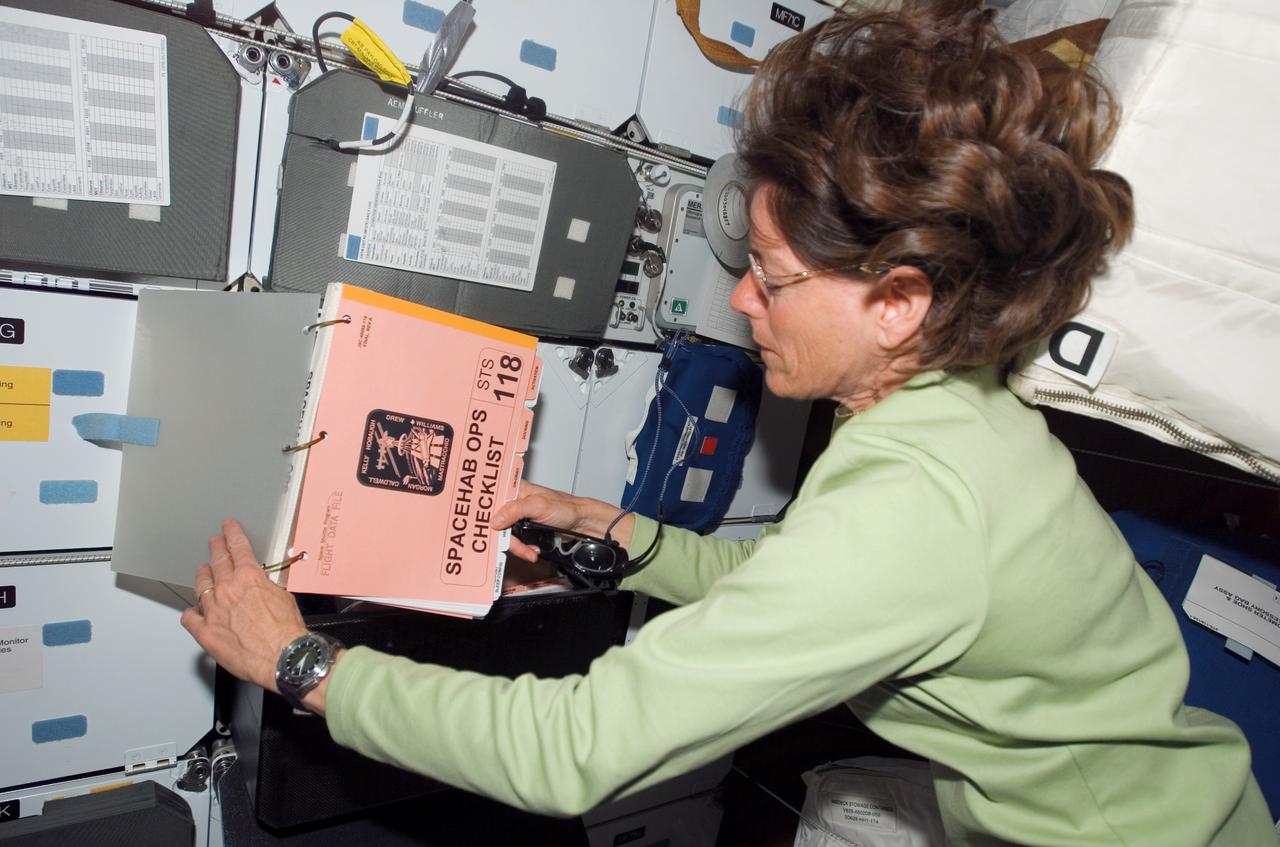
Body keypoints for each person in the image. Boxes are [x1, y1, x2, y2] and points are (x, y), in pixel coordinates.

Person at [182, 1, 1279, 843]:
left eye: (772, 274)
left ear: (898, 300)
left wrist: (303, 661)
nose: (744, 300)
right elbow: (800, 584)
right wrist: (617, 532)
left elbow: (573, 750)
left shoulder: (916, 502)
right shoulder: (943, 406)